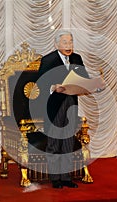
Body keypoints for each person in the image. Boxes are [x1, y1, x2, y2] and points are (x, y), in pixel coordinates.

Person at [37, 29, 90, 189]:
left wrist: (90, 84)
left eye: (71, 42)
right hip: (53, 106)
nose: (69, 45)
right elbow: (40, 84)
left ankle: (67, 178)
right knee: (54, 143)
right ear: (56, 44)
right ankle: (56, 179)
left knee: (68, 142)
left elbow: (84, 78)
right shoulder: (48, 60)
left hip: (71, 104)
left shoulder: (76, 58)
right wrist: (54, 87)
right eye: (65, 42)